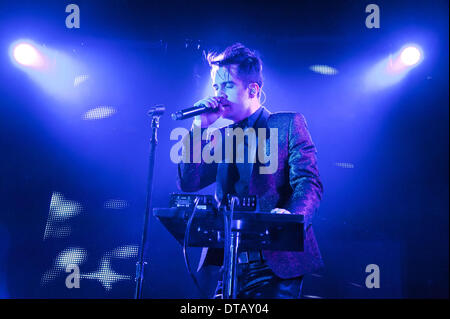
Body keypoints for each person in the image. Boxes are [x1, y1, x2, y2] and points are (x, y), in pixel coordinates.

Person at [177, 43, 323, 299]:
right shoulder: (220, 137)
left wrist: (290, 217)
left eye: (228, 86)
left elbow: (309, 183)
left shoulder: (287, 124)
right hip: (230, 264)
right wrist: (199, 126)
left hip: (275, 265)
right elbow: (189, 181)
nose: (219, 95)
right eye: (216, 87)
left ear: (253, 89)